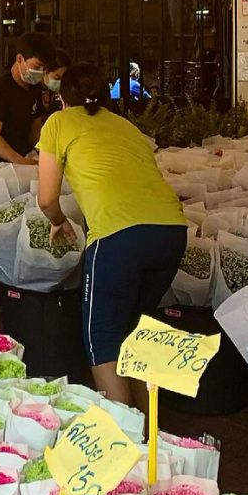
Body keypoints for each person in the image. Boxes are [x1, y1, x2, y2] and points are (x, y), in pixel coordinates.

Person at [36, 62, 187, 408]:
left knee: (102, 338)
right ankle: (148, 437)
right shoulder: (125, 126)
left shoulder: (58, 123)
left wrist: (58, 220)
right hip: (171, 233)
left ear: (62, 99)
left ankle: (124, 439)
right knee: (133, 330)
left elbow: (46, 199)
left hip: (118, 238)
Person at [0, 32, 59, 172]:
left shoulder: (35, 89)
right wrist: (22, 162)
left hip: (21, 165)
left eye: (44, 69)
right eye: (36, 67)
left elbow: (34, 129)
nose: (40, 72)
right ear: (19, 59)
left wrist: (43, 154)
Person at [34, 49, 73, 132]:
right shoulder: (32, 90)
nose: (60, 82)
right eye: (57, 77)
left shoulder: (60, 92)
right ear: (44, 72)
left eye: (63, 79)